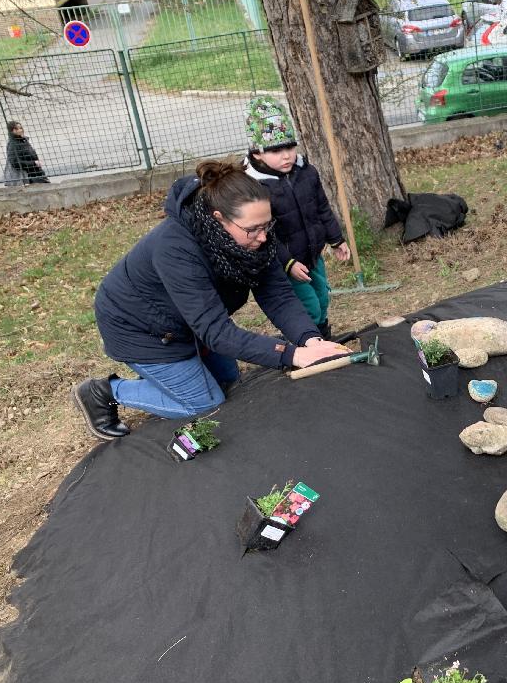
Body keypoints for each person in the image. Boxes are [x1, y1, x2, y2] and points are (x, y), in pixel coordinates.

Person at [73, 161, 349, 441]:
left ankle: (177, 376)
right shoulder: (177, 249)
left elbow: (277, 294)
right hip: (141, 328)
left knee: (229, 381)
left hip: (188, 319)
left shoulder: (253, 237)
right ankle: (104, 391)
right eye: (253, 229)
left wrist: (310, 340)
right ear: (219, 218)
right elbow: (216, 332)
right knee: (205, 403)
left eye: (268, 225)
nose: (264, 237)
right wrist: (293, 355)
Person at [242, 95, 351, 340]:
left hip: (313, 255)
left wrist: (336, 239)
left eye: (290, 147)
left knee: (322, 297)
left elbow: (322, 207)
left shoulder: (306, 172)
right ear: (257, 153)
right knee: (308, 306)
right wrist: (287, 263)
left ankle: (324, 337)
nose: (286, 155)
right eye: (276, 150)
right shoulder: (255, 188)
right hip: (286, 262)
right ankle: (307, 344)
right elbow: (264, 234)